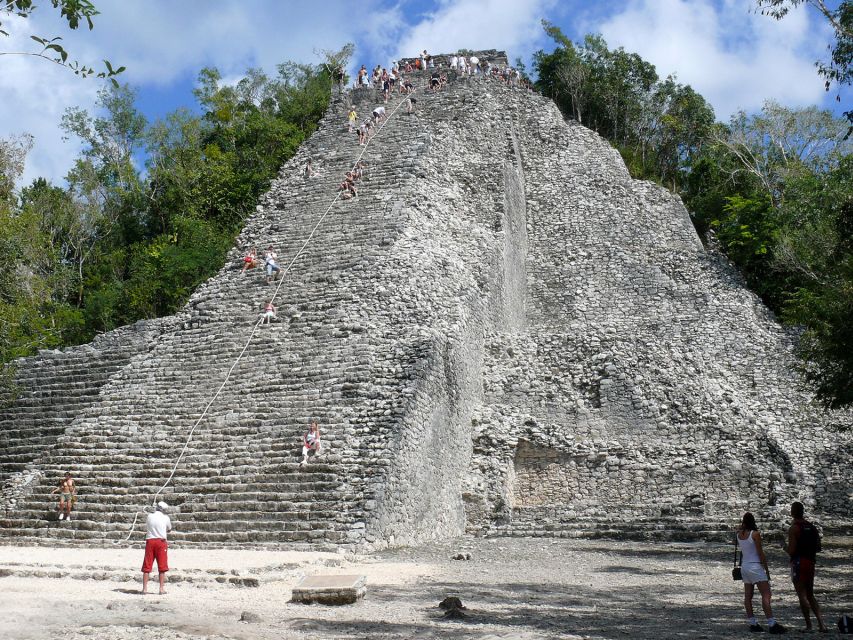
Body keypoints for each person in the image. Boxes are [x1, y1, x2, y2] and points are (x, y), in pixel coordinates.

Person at [737, 512, 785, 634]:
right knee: (766, 594)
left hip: (745, 566)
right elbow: (760, 552)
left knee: (748, 596)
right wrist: (766, 569)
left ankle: (753, 623)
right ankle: (771, 623)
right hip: (755, 566)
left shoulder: (739, 535)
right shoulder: (755, 534)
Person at [786, 501, 827, 632]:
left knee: (801, 595)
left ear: (792, 512)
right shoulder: (811, 527)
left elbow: (791, 551)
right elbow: (819, 547)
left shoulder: (794, 528)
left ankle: (809, 625)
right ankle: (822, 624)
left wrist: (784, 547)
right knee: (810, 594)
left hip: (798, 562)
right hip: (811, 562)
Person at [142, 501, 172, 595]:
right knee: (162, 566)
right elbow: (169, 529)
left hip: (150, 541)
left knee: (147, 565)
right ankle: (161, 588)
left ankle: (144, 589)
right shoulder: (166, 518)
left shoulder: (149, 516)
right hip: (161, 542)